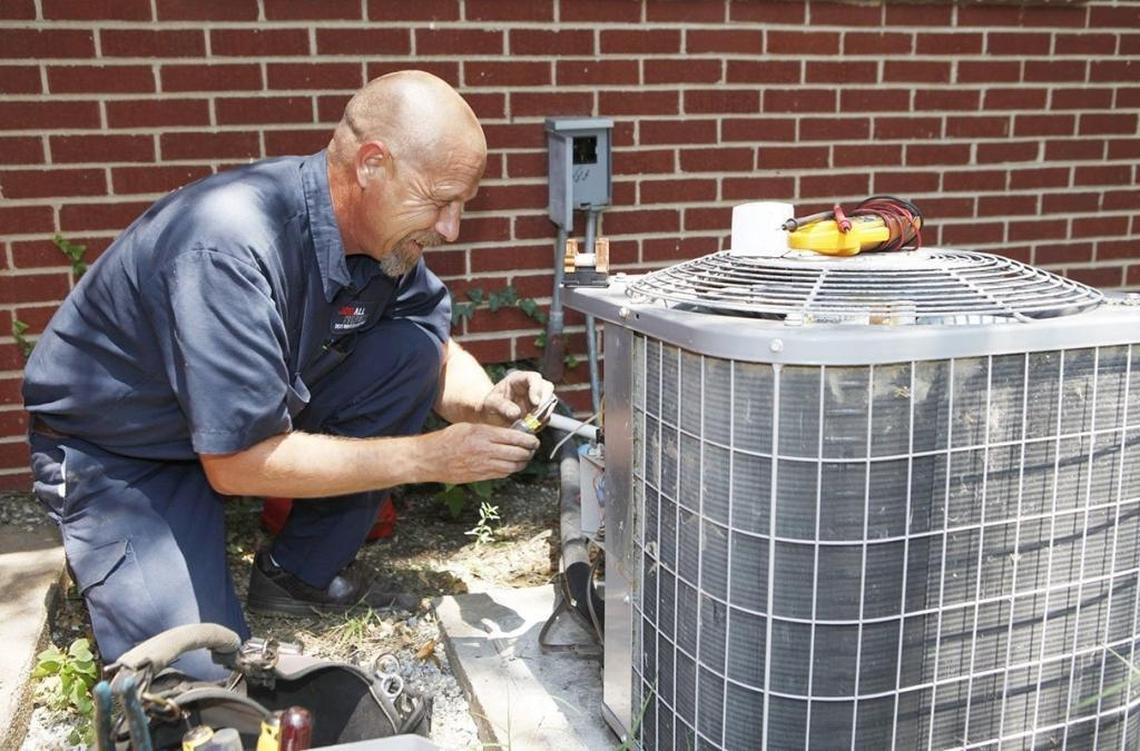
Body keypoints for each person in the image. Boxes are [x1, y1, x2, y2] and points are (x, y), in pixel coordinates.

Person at [23, 71, 552, 679]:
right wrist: (430, 457)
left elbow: (431, 348)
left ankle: (296, 574)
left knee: (406, 349)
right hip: (124, 453)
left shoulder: (384, 240)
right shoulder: (227, 246)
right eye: (440, 201)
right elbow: (237, 465)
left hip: (236, 422)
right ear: (372, 164)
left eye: (464, 206)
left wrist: (481, 401)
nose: (451, 227)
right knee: (196, 672)